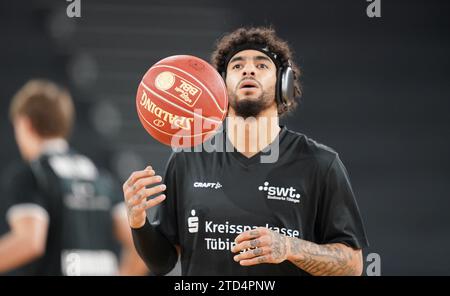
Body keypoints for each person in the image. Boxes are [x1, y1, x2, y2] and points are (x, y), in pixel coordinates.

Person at [124, 27, 369, 276]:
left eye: (262, 66)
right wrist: (139, 223)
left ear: (283, 84)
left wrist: (290, 247)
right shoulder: (186, 158)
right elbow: (162, 263)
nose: (248, 70)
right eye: (237, 66)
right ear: (219, 84)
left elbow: (352, 266)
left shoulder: (320, 163)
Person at [0, 79, 147, 275]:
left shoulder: (31, 175)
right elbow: (139, 244)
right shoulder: (99, 176)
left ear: (25, 123)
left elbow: (30, 241)